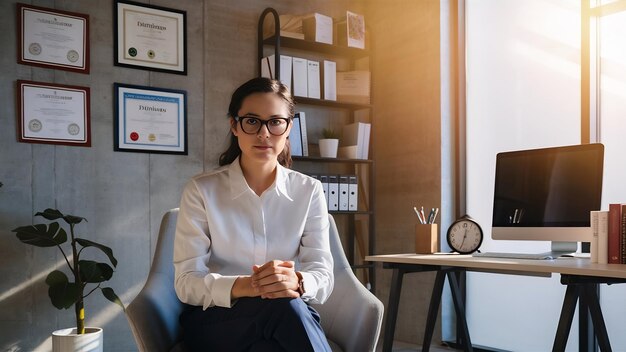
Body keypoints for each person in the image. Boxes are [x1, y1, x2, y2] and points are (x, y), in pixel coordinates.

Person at [173, 77, 334, 352]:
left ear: (288, 128)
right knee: (285, 308)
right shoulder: (201, 190)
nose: (264, 134)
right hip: (217, 320)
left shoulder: (309, 191)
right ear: (234, 126)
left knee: (276, 331)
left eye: (275, 121)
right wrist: (248, 286)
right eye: (252, 121)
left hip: (288, 314)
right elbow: (186, 282)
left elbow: (323, 273)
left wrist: (297, 280)